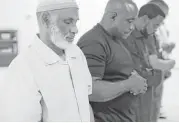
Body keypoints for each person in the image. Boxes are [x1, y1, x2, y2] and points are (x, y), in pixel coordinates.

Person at [0, 0, 94, 122]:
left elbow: (85, 105)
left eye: (76, 22)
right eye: (68, 22)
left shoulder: (76, 53)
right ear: (45, 20)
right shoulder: (23, 67)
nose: (75, 29)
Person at [78, 0, 148, 122]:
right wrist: (129, 84)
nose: (132, 27)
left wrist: (136, 81)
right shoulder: (94, 42)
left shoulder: (116, 38)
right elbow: (90, 90)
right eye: (129, 21)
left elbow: (116, 74)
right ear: (112, 16)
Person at [124, 2, 175, 121]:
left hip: (149, 96)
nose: (157, 29)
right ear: (146, 19)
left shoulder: (149, 35)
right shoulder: (127, 35)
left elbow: (151, 60)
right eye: (156, 25)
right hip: (134, 99)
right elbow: (134, 71)